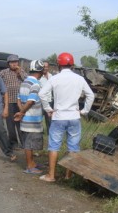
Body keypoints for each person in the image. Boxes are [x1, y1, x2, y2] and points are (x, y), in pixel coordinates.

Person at [38, 52, 94, 182]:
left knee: (53, 146)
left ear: (58, 65)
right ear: (72, 65)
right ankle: (68, 175)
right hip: (74, 117)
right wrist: (84, 111)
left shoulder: (54, 78)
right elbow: (90, 95)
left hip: (58, 117)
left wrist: (48, 109)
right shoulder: (79, 79)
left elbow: (42, 94)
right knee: (73, 147)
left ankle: (51, 176)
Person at [14, 60, 45, 174]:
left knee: (28, 143)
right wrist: (22, 112)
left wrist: (21, 111)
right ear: (40, 71)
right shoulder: (35, 84)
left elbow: (18, 99)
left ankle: (32, 163)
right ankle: (30, 166)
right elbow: (31, 101)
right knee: (29, 144)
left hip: (25, 118)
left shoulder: (24, 82)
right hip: (32, 120)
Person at [0, 54, 28, 150]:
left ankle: (24, 143)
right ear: (8, 64)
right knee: (10, 124)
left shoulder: (22, 71)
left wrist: (20, 72)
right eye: (12, 62)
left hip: (21, 102)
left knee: (21, 122)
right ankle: (13, 143)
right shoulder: (3, 73)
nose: (14, 64)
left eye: (15, 62)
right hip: (9, 101)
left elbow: (27, 81)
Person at [39, 61, 54, 131]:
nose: (45, 68)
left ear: (48, 67)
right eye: (44, 67)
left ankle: (49, 133)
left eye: (46, 67)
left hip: (49, 101)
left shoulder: (51, 76)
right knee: (39, 119)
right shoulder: (39, 77)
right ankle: (40, 132)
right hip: (41, 101)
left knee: (49, 119)